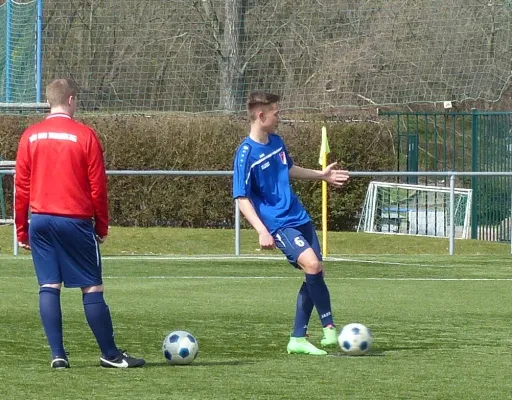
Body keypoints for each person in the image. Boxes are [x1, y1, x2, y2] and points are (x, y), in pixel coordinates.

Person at [14, 78, 145, 369]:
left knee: (49, 285)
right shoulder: (85, 135)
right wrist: (101, 227)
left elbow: (21, 186)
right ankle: (110, 355)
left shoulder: (30, 136)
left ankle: (58, 355)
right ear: (71, 100)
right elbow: (98, 187)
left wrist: (22, 229)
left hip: (41, 221)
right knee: (91, 288)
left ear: (49, 101)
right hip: (74, 220)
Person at [232, 91, 350, 355]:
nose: (279, 118)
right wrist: (262, 230)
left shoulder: (276, 142)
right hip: (278, 224)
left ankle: (297, 338)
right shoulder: (246, 154)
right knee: (312, 264)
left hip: (299, 217)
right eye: (276, 113)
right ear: (261, 116)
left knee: (316, 271)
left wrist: (322, 176)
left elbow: (288, 169)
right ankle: (329, 328)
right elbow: (241, 197)